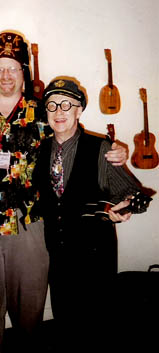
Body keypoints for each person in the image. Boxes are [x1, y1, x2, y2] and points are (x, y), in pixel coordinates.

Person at [0, 32, 128, 353]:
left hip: (31, 225)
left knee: (29, 313)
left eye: (13, 68)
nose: (6, 75)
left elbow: (74, 139)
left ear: (23, 72)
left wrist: (114, 152)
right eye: (0, 68)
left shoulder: (41, 111)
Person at [32, 76, 151, 350]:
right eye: (52, 105)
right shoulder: (40, 151)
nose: (59, 112)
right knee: (65, 321)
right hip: (57, 254)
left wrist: (123, 208)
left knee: (97, 326)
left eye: (66, 104)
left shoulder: (102, 148)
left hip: (94, 256)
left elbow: (132, 194)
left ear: (79, 110)